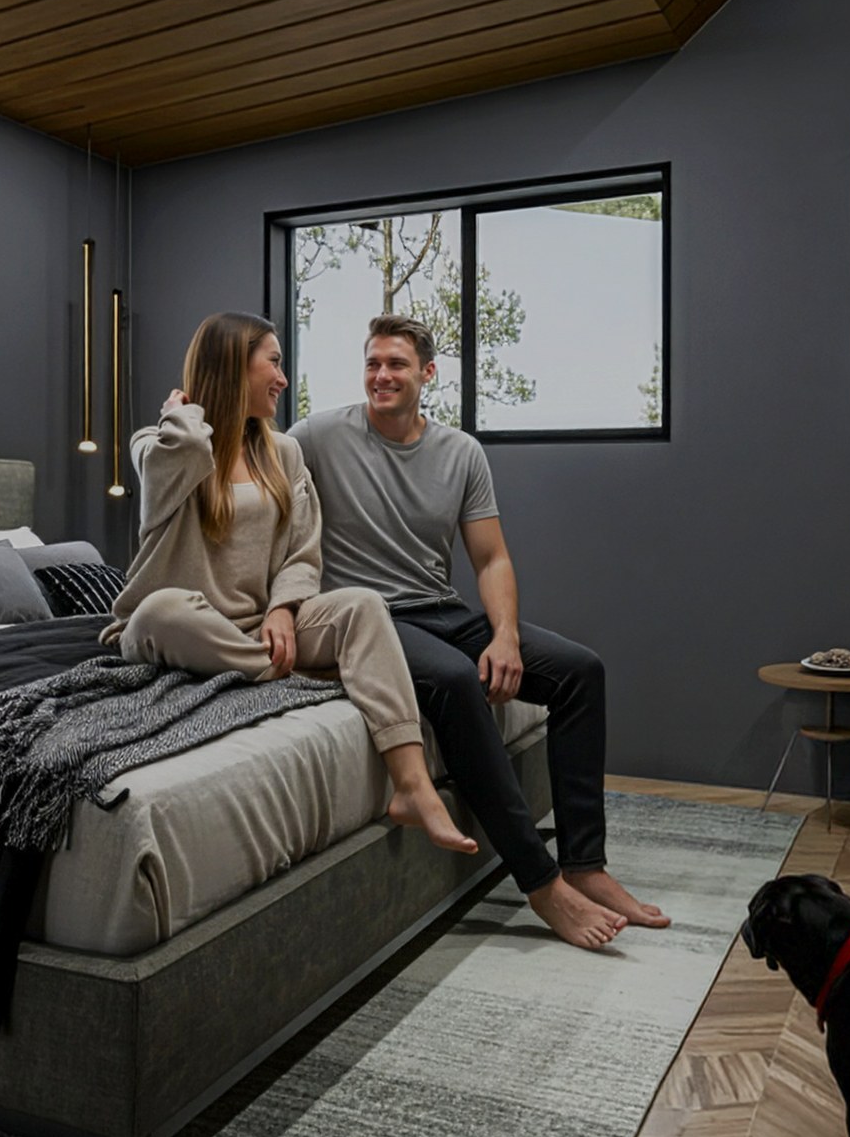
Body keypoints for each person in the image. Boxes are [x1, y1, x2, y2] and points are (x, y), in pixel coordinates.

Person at [291, 315, 667, 950]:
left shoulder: (460, 452)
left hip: (442, 608)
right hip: (370, 620)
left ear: (427, 374)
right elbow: (251, 457)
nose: (381, 376)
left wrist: (505, 636)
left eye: (396, 364)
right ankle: (542, 884)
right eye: (372, 363)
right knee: (455, 680)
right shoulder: (318, 436)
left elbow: (491, 559)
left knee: (580, 672)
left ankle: (585, 865)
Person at [105, 310, 475, 856]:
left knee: (362, 605)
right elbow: (183, 455)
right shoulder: (157, 444)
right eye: (273, 363)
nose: (282, 378)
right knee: (162, 609)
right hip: (174, 626)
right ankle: (288, 670)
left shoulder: (284, 453)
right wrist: (181, 414)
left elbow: (304, 552)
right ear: (233, 367)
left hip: (259, 625)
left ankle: (413, 786)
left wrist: (283, 608)